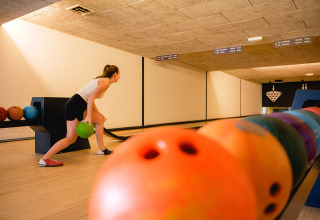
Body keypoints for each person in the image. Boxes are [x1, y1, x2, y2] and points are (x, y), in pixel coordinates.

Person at [39, 65, 120, 167]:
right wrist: (89, 117)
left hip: (77, 104)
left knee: (99, 119)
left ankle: (102, 149)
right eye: (119, 74)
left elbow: (90, 99)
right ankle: (45, 158)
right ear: (115, 74)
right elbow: (90, 98)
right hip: (75, 105)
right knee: (70, 138)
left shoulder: (102, 81)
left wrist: (98, 113)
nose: (119, 76)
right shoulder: (106, 83)